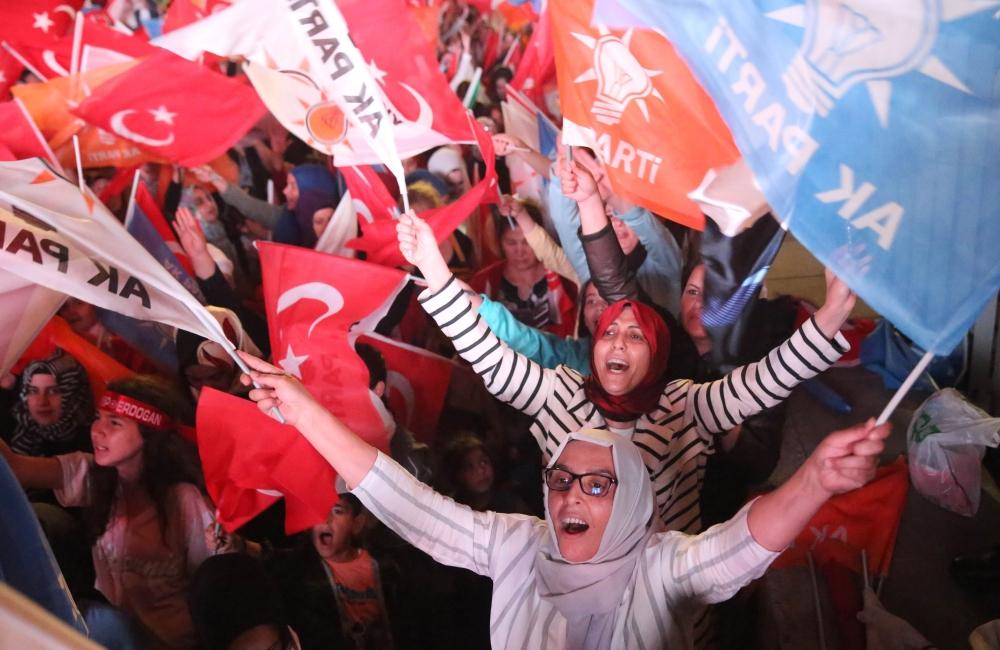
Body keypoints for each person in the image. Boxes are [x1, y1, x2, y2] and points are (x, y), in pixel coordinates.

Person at [237, 350, 890, 650]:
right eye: (560, 479)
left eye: (597, 483)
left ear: (634, 502)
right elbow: (410, 506)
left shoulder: (658, 568)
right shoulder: (520, 545)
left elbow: (735, 549)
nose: (569, 495)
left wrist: (815, 481)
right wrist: (300, 408)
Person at [397, 210, 856, 534]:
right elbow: (487, 355)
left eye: (636, 337)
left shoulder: (687, 405)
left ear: (657, 356)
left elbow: (767, 379)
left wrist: (832, 315)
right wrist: (433, 268)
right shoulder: (559, 393)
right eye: (610, 332)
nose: (617, 339)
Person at [0, 376, 218, 649]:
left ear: (148, 433)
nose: (98, 431)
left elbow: (213, 585)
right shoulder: (93, 476)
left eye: (114, 423)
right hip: (108, 639)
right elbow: (15, 468)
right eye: (98, 418)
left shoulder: (184, 500)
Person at [470, 200, 578, 337]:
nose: (519, 251)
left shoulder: (564, 277)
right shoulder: (483, 282)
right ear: (499, 242)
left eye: (526, 242)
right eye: (511, 242)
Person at [9, 350, 93, 459]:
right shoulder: (12, 420)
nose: (41, 401)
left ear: (72, 394)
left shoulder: (92, 443)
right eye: (33, 391)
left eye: (53, 391)